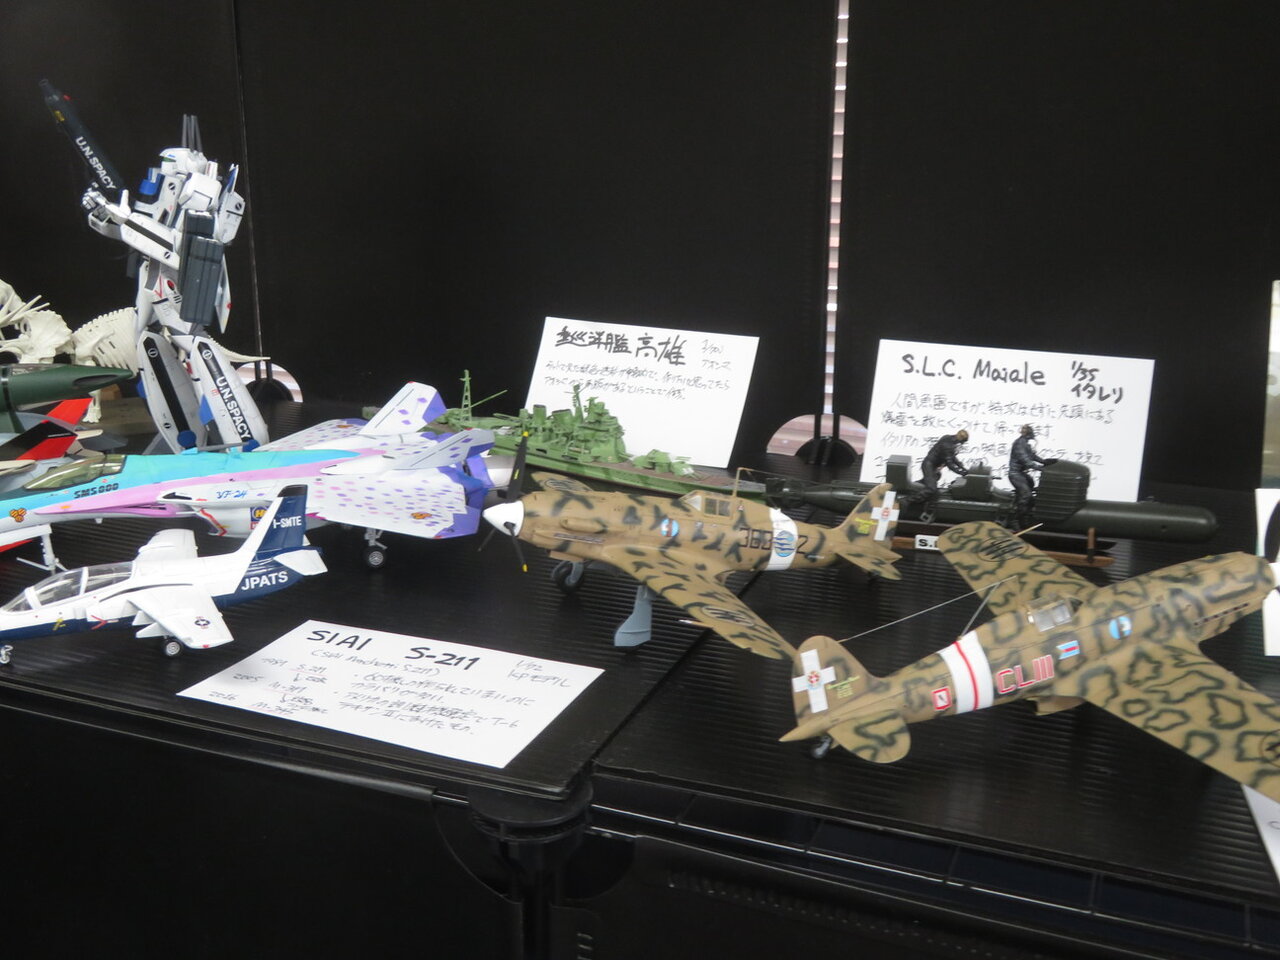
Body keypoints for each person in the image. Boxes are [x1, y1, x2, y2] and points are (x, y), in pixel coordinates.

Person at [912, 429, 969, 520]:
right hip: (929, 465)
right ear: (960, 439)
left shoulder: (948, 438)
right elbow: (950, 464)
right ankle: (908, 501)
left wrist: (963, 468)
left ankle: (914, 488)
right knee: (931, 488)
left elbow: (953, 458)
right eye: (962, 442)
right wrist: (961, 472)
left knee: (930, 481)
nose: (961, 444)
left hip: (933, 465)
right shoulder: (948, 446)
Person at [1008, 424, 1047, 529]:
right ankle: (1015, 519)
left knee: (1031, 486)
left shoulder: (1025, 443)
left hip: (1021, 473)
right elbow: (1026, 460)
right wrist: (1040, 468)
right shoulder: (1019, 444)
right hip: (1015, 474)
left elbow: (1032, 456)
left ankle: (1025, 517)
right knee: (1026, 495)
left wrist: (1044, 461)